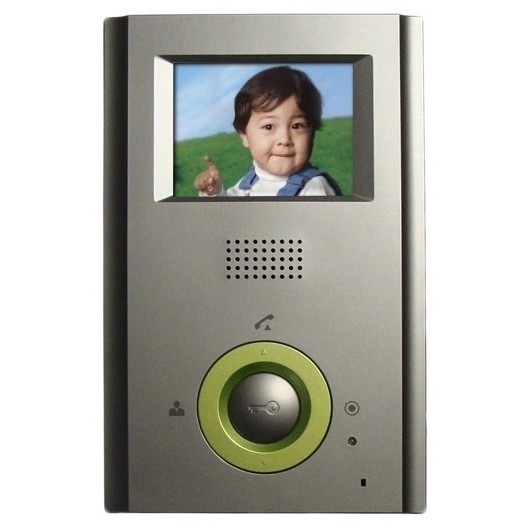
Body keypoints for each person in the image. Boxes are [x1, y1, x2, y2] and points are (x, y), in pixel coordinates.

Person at [194, 66, 339, 197]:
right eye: (269, 126)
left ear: (312, 132)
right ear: (245, 136)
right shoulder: (249, 183)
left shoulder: (314, 189)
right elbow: (226, 213)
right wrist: (214, 193)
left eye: (297, 126)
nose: (285, 139)